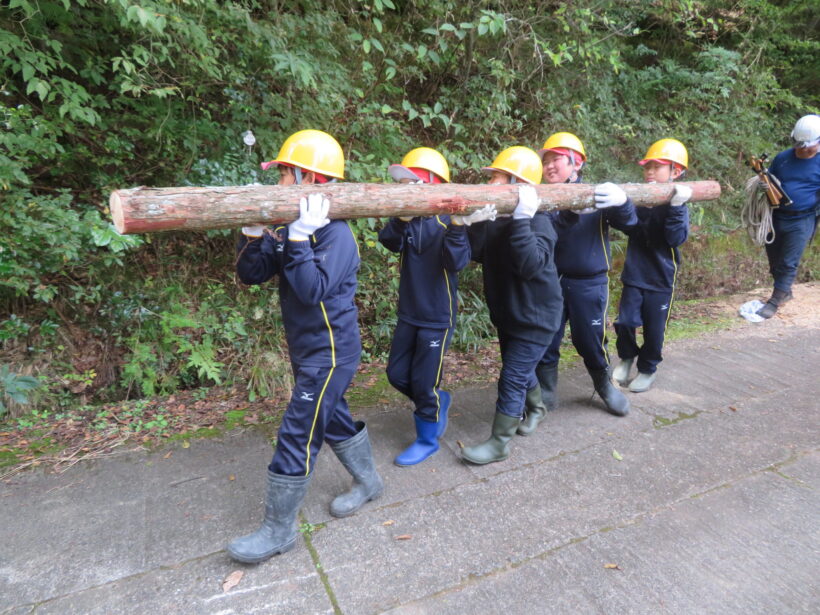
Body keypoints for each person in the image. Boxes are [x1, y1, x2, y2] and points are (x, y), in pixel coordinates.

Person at [228, 129, 383, 563]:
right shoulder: (290, 225)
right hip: (306, 349)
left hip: (331, 354)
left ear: (308, 179)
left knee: (299, 430)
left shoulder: (337, 237)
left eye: (283, 176)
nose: (278, 185)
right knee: (331, 418)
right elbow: (252, 274)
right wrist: (253, 233)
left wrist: (298, 240)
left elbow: (311, 289)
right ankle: (369, 483)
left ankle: (278, 531)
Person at [461, 146, 562, 464]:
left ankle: (499, 443)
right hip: (508, 313)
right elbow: (477, 254)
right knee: (519, 369)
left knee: (513, 376)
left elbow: (530, 263)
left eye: (496, 177)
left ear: (518, 184)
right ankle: (537, 407)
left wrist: (522, 219)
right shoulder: (497, 218)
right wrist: (473, 223)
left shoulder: (540, 223)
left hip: (537, 318)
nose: (490, 183)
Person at [533, 132, 635, 424]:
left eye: (557, 160)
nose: (550, 166)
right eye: (546, 160)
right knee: (547, 337)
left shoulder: (596, 193)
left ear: (576, 164)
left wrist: (622, 202)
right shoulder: (541, 197)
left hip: (588, 282)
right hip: (550, 281)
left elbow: (629, 224)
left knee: (589, 338)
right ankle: (547, 391)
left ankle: (604, 385)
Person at [378, 147, 471, 466]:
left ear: (433, 184)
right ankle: (435, 400)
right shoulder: (408, 219)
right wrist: (401, 218)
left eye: (412, 183)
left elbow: (457, 262)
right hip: (409, 312)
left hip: (436, 316)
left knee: (423, 381)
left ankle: (427, 439)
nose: (406, 189)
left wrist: (459, 227)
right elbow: (388, 241)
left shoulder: (450, 220)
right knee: (395, 373)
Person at [612, 138, 692, 393]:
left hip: (661, 278)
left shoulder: (678, 204)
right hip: (635, 273)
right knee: (625, 322)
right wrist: (621, 204)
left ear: (675, 172)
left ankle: (647, 369)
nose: (649, 172)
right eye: (647, 167)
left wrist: (676, 207)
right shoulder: (641, 200)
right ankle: (626, 357)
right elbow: (628, 226)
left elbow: (674, 238)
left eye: (657, 167)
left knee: (654, 330)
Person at [757, 114, 820, 319]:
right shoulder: (783, 158)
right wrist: (764, 184)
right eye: (798, 145)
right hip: (776, 215)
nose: (801, 149)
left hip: (803, 218)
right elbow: (771, 179)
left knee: (788, 261)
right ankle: (785, 292)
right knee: (774, 257)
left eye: (806, 146)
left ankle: (775, 300)